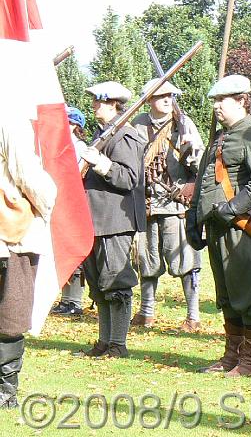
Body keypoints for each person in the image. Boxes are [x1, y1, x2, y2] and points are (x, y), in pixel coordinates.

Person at [190, 75, 251, 377]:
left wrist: (231, 210)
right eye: (214, 100)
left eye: (221, 100)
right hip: (217, 227)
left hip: (242, 227)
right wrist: (193, 220)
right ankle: (231, 356)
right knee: (227, 293)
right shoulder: (220, 137)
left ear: (241, 100)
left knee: (250, 293)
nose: (216, 106)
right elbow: (203, 183)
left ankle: (250, 360)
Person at [75, 81, 146, 359]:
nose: (94, 105)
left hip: (115, 219)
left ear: (113, 103)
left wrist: (101, 164)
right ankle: (105, 341)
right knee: (99, 282)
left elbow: (129, 178)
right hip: (96, 218)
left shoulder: (125, 136)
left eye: (99, 101)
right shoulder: (102, 134)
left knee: (117, 283)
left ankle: (118, 343)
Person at [131, 79, 204, 333]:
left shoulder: (184, 124)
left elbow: (200, 164)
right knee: (146, 260)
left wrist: (190, 152)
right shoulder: (138, 124)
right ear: (149, 99)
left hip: (175, 203)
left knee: (186, 260)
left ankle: (193, 316)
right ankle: (146, 312)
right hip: (148, 201)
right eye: (161, 96)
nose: (166, 99)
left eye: (170, 95)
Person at [0, 114, 57, 408]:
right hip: (10, 238)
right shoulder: (9, 120)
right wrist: (49, 201)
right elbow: (28, 176)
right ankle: (5, 391)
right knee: (12, 311)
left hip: (9, 236)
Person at [50, 106, 88, 316]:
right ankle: (66, 299)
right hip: (58, 202)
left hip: (72, 202)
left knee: (73, 251)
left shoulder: (78, 147)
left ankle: (74, 301)